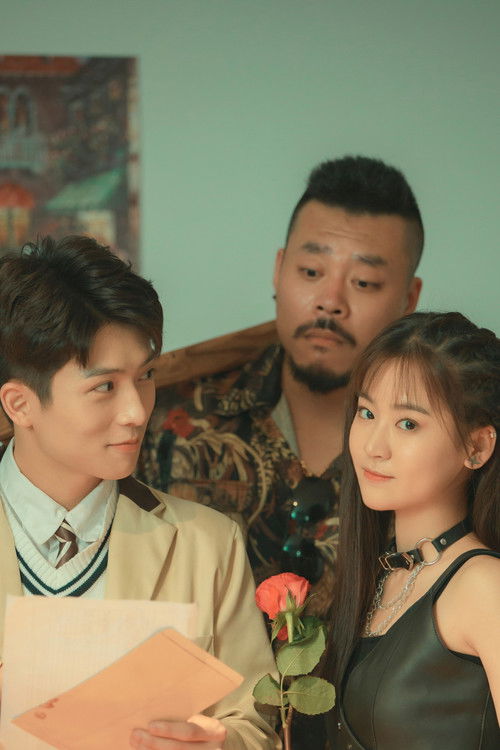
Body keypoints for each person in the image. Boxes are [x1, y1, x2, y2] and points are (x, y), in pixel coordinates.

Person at [0, 236, 280, 750]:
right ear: (20, 404)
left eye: (146, 376)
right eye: (104, 386)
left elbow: (257, 723)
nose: (137, 411)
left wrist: (219, 744)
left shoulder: (207, 543)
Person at [138, 155, 424, 619]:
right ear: (279, 269)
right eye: (311, 272)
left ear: (409, 299)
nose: (330, 302)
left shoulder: (438, 445)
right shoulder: (168, 416)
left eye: (364, 282)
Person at [326, 311, 500, 749]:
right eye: (367, 412)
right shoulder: (377, 573)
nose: (373, 446)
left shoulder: (485, 586)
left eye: (408, 424)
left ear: (476, 446)